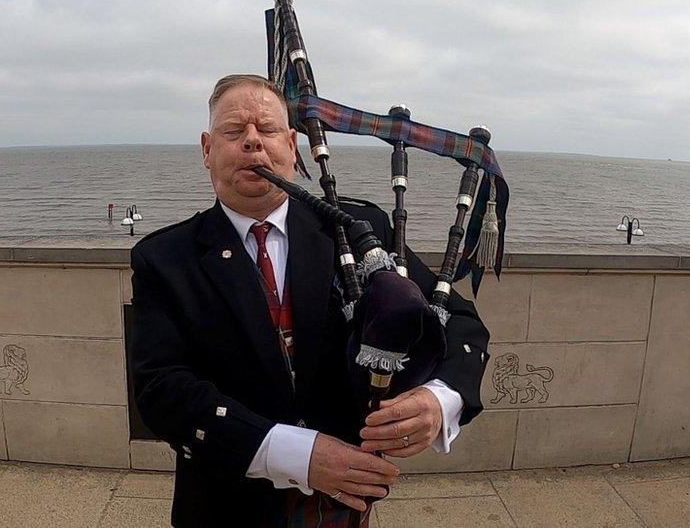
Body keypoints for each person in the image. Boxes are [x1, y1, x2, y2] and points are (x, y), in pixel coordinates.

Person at [129, 74, 489, 527]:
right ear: (207, 149)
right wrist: (297, 454)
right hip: (224, 503)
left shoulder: (358, 230)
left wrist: (439, 399)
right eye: (233, 131)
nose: (253, 143)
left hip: (338, 505)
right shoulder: (165, 258)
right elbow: (160, 390)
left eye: (268, 129)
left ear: (293, 145)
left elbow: (457, 319)